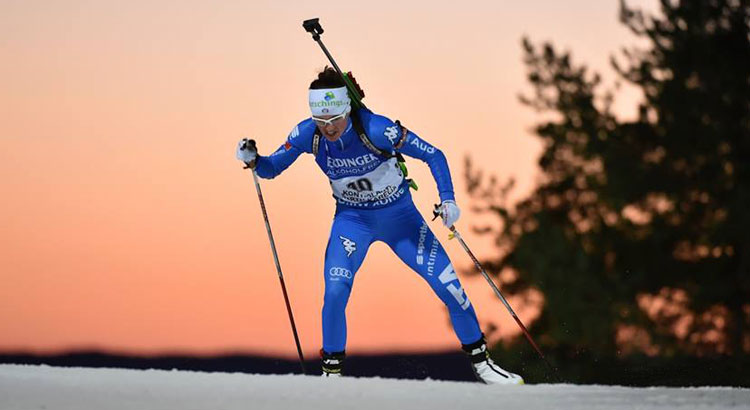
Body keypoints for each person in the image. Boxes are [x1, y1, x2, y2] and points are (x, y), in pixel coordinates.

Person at [236, 67, 523, 385]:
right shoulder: (307, 133)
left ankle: (483, 365)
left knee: (449, 288)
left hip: (402, 221)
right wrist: (254, 158)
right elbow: (271, 168)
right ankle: (331, 375)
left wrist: (449, 200)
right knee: (334, 292)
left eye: (335, 120)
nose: (329, 129)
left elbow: (434, 155)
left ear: (348, 109)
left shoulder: (377, 129)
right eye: (322, 121)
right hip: (353, 222)